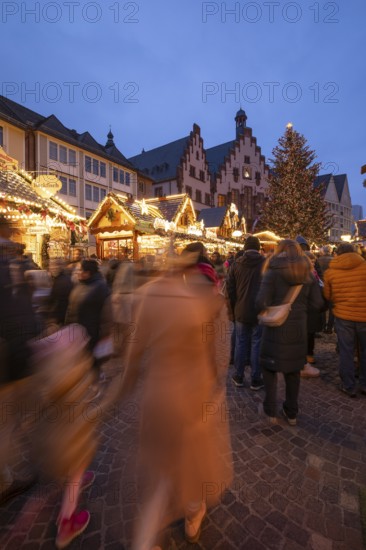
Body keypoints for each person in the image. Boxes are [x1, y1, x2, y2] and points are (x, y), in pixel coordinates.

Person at [103, 247, 232, 549]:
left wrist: (113, 398)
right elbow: (217, 355)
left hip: (158, 396)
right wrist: (215, 389)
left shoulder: (149, 297)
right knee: (192, 464)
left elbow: (133, 358)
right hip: (193, 398)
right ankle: (191, 517)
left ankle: (148, 538)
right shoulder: (201, 302)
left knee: (160, 476)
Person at [255, 239, 324, 426]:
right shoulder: (308, 273)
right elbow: (318, 304)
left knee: (269, 368)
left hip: (275, 329)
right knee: (293, 372)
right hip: (298, 330)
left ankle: (270, 410)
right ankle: (291, 412)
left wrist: (273, 307)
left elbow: (260, 302)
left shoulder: (272, 272)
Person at [323, 242, 366, 397]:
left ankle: (348, 385)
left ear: (338, 253)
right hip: (364, 316)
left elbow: (328, 296)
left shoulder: (330, 272)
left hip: (343, 316)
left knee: (346, 351)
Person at [65, 259, 113, 394]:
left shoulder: (101, 288)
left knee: (93, 360)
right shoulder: (79, 285)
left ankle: (97, 384)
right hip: (77, 330)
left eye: (80, 270)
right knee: (82, 359)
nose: (77, 272)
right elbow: (71, 308)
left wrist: (105, 334)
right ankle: (88, 381)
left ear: (88, 273)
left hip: (93, 331)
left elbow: (108, 313)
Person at [227, 236, 265, 390]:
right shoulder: (265, 263)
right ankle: (256, 378)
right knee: (257, 344)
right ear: (258, 247)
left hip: (241, 309)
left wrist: (236, 305)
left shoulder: (236, 264)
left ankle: (238, 375)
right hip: (260, 309)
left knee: (241, 343)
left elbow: (230, 289)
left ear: (244, 247)